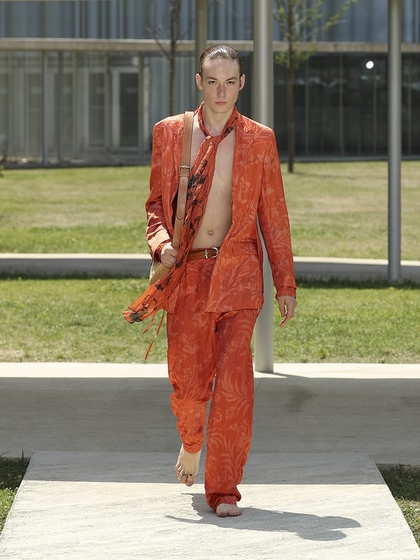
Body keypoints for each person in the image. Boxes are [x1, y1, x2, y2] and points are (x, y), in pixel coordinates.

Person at [145, 44, 296, 517]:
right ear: (199, 82)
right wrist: (161, 243)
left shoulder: (259, 140)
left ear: (242, 83)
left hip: (238, 273)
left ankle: (224, 488)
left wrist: (285, 282)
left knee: (235, 383)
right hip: (188, 272)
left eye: (230, 82)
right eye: (212, 81)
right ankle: (192, 441)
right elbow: (155, 205)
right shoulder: (171, 133)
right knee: (188, 385)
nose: (221, 91)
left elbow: (274, 215)